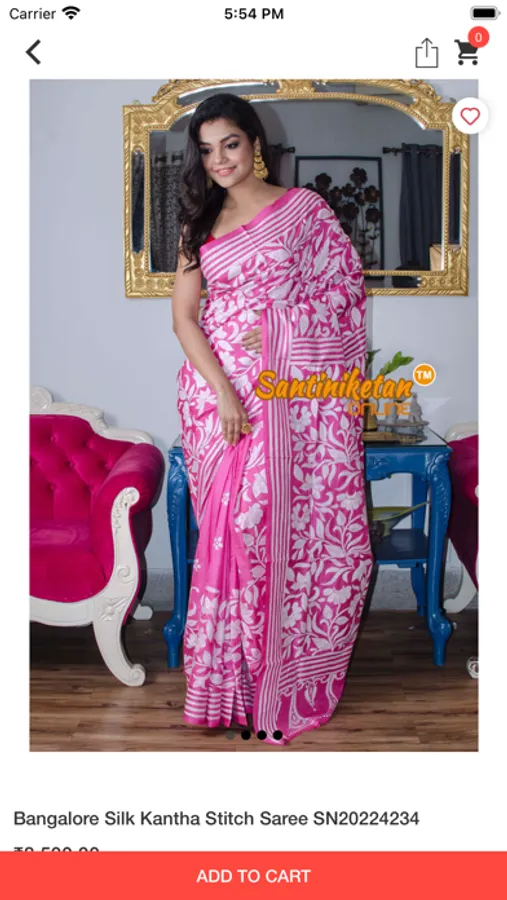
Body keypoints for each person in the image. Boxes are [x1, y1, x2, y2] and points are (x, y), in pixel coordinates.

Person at [172, 93, 373, 745]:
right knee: (228, 532)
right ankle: (224, 689)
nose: (219, 159)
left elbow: (344, 296)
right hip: (217, 398)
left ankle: (274, 681)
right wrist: (224, 393)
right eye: (207, 150)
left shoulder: (304, 211)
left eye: (229, 143)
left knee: (266, 529)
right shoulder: (198, 223)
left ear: (254, 142)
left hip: (288, 394)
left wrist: (285, 330)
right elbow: (184, 319)